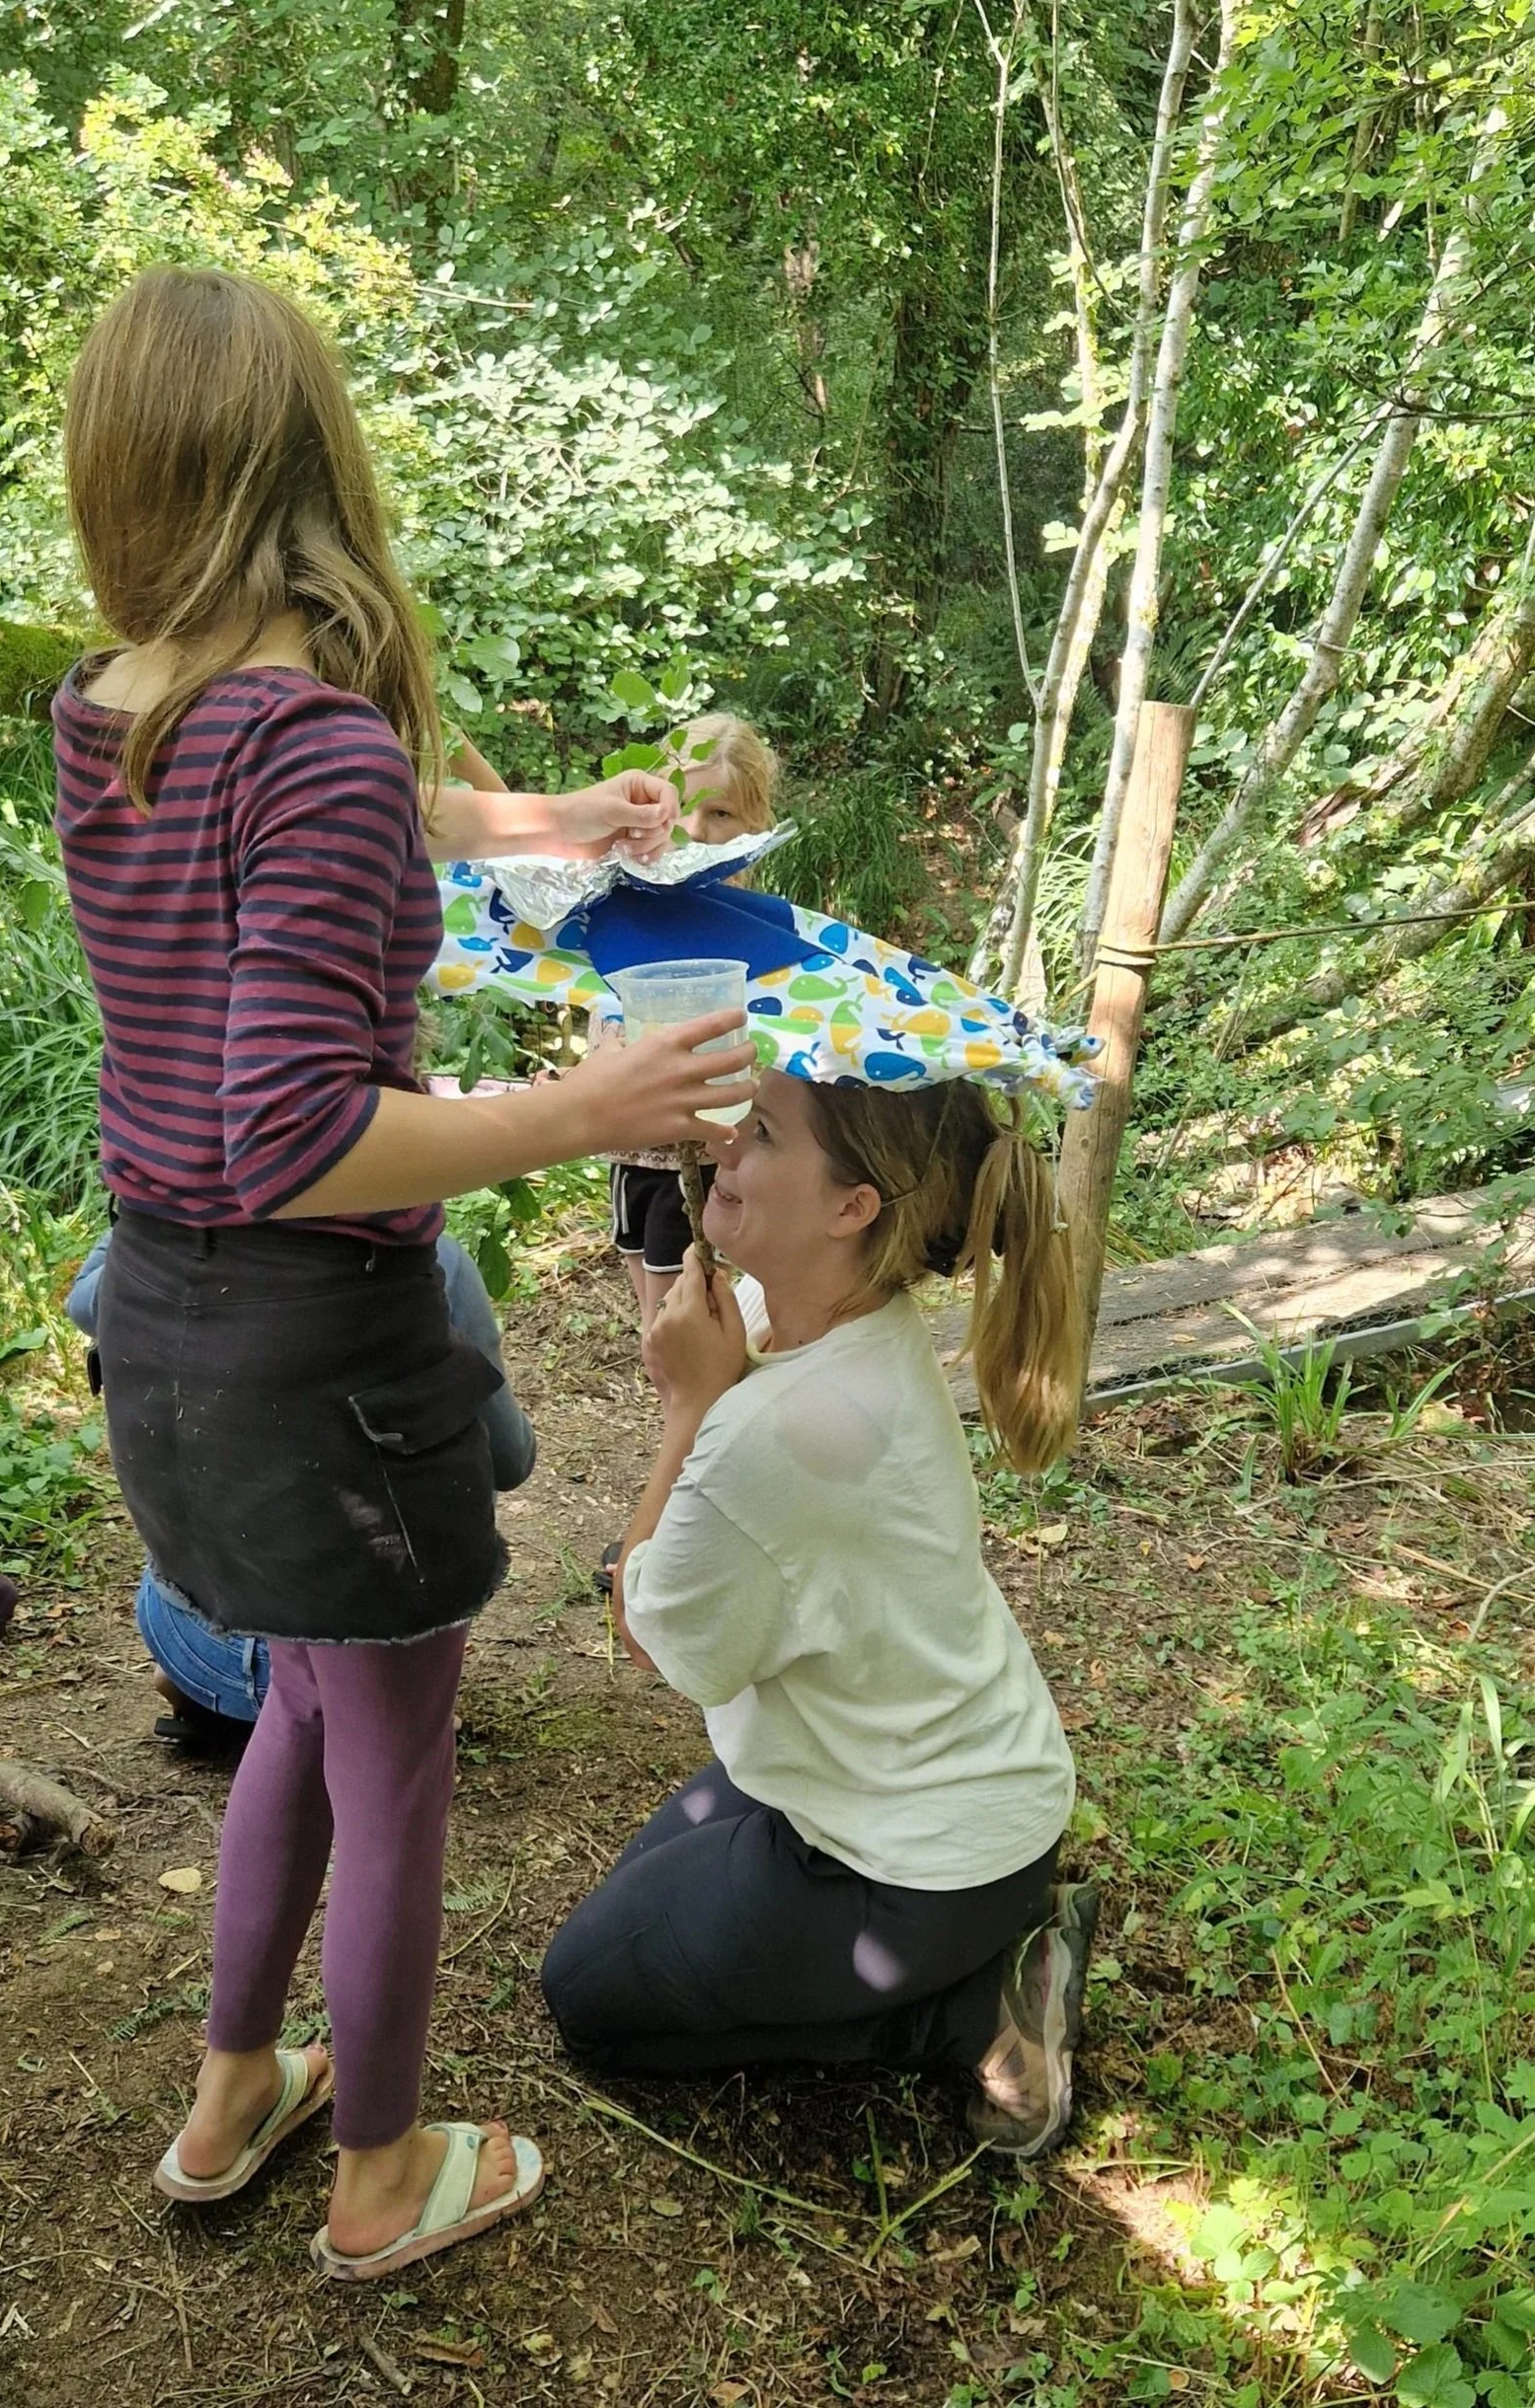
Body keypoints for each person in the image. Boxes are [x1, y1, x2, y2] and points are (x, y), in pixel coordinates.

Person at [53, 264, 754, 2280]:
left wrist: (541, 817)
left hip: (163, 1331)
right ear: (311, 465)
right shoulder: (316, 745)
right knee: (393, 1746)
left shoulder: (114, 709)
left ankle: (230, 2085)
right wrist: (583, 1106)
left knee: (296, 1700)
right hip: (320, 1346)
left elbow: (329, 807)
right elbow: (299, 1128)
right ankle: (373, 2172)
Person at [540, 1070, 1100, 2161]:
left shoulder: (787, 1426)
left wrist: (691, 1408)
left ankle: (978, 2007)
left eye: (760, 1135)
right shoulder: (794, 1313)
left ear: (855, 1208)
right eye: (735, 1125)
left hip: (920, 1864)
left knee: (589, 1994)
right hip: (908, 1781)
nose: (724, 1151)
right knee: (640, 1898)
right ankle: (969, 1953)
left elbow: (654, 1637)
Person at [63, 1229, 538, 1743]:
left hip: (185, 1630)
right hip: (353, 1655)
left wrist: (159, 1218)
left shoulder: (156, 1252)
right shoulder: (432, 1257)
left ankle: (215, 1692)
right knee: (453, 1456)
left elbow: (84, 1301)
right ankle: (390, 1710)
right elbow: (510, 1461)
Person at [606, 715, 779, 1334]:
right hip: (632, 1158)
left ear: (754, 824)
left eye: (721, 814)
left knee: (685, 1330)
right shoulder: (619, 906)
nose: (695, 831)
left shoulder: (759, 931)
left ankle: (699, 1428)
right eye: (681, 806)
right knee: (660, 1329)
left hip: (705, 1165)